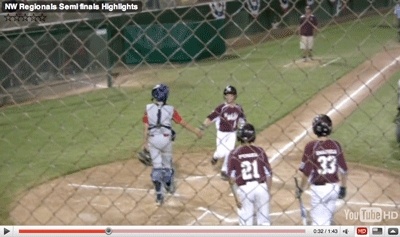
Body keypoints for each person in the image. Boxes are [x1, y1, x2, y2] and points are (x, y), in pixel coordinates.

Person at [142, 84, 203, 206]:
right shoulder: (170, 109)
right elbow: (182, 123)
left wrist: (145, 143)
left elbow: (146, 128)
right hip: (166, 140)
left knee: (157, 166)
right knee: (167, 164)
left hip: (153, 140)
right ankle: (169, 184)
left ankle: (159, 195)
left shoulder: (148, 109)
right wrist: (196, 131)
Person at [296, 114, 348, 225]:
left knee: (318, 225)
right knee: (327, 220)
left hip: (320, 191)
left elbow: (306, 172)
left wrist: (301, 189)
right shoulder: (335, 145)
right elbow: (344, 170)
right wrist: (343, 188)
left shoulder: (311, 146)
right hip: (334, 188)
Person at [227, 123, 273, 225]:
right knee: (264, 222)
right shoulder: (260, 151)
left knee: (246, 223)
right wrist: (267, 192)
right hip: (261, 188)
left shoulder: (234, 153)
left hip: (245, 190)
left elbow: (231, 179)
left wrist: (236, 198)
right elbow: (268, 174)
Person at [199, 85, 246, 180]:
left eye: (231, 95)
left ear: (235, 96)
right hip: (221, 134)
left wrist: (242, 129)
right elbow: (210, 118)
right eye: (227, 95)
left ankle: (224, 170)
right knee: (220, 153)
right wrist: (203, 127)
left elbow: (242, 120)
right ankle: (215, 157)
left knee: (230, 151)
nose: (228, 97)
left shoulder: (238, 108)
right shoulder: (221, 108)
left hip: (232, 133)